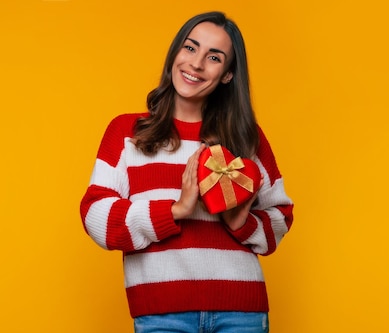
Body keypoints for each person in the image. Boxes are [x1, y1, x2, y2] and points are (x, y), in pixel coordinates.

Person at [79, 11, 294, 333]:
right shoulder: (127, 131)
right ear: (175, 53)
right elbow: (96, 216)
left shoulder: (246, 137)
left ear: (227, 75)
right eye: (190, 48)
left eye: (214, 57)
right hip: (161, 314)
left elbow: (281, 215)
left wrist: (240, 222)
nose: (196, 64)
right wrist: (176, 209)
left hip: (241, 312)